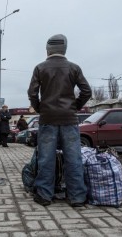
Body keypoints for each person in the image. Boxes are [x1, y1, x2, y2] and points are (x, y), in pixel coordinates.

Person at [27, 34, 92, 207]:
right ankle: (77, 197)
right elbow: (86, 91)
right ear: (65, 48)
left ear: (48, 49)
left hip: (47, 119)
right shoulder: (74, 68)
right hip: (69, 120)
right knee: (74, 158)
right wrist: (74, 107)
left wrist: (41, 108)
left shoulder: (40, 68)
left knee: (46, 159)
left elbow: (32, 93)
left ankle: (44, 195)